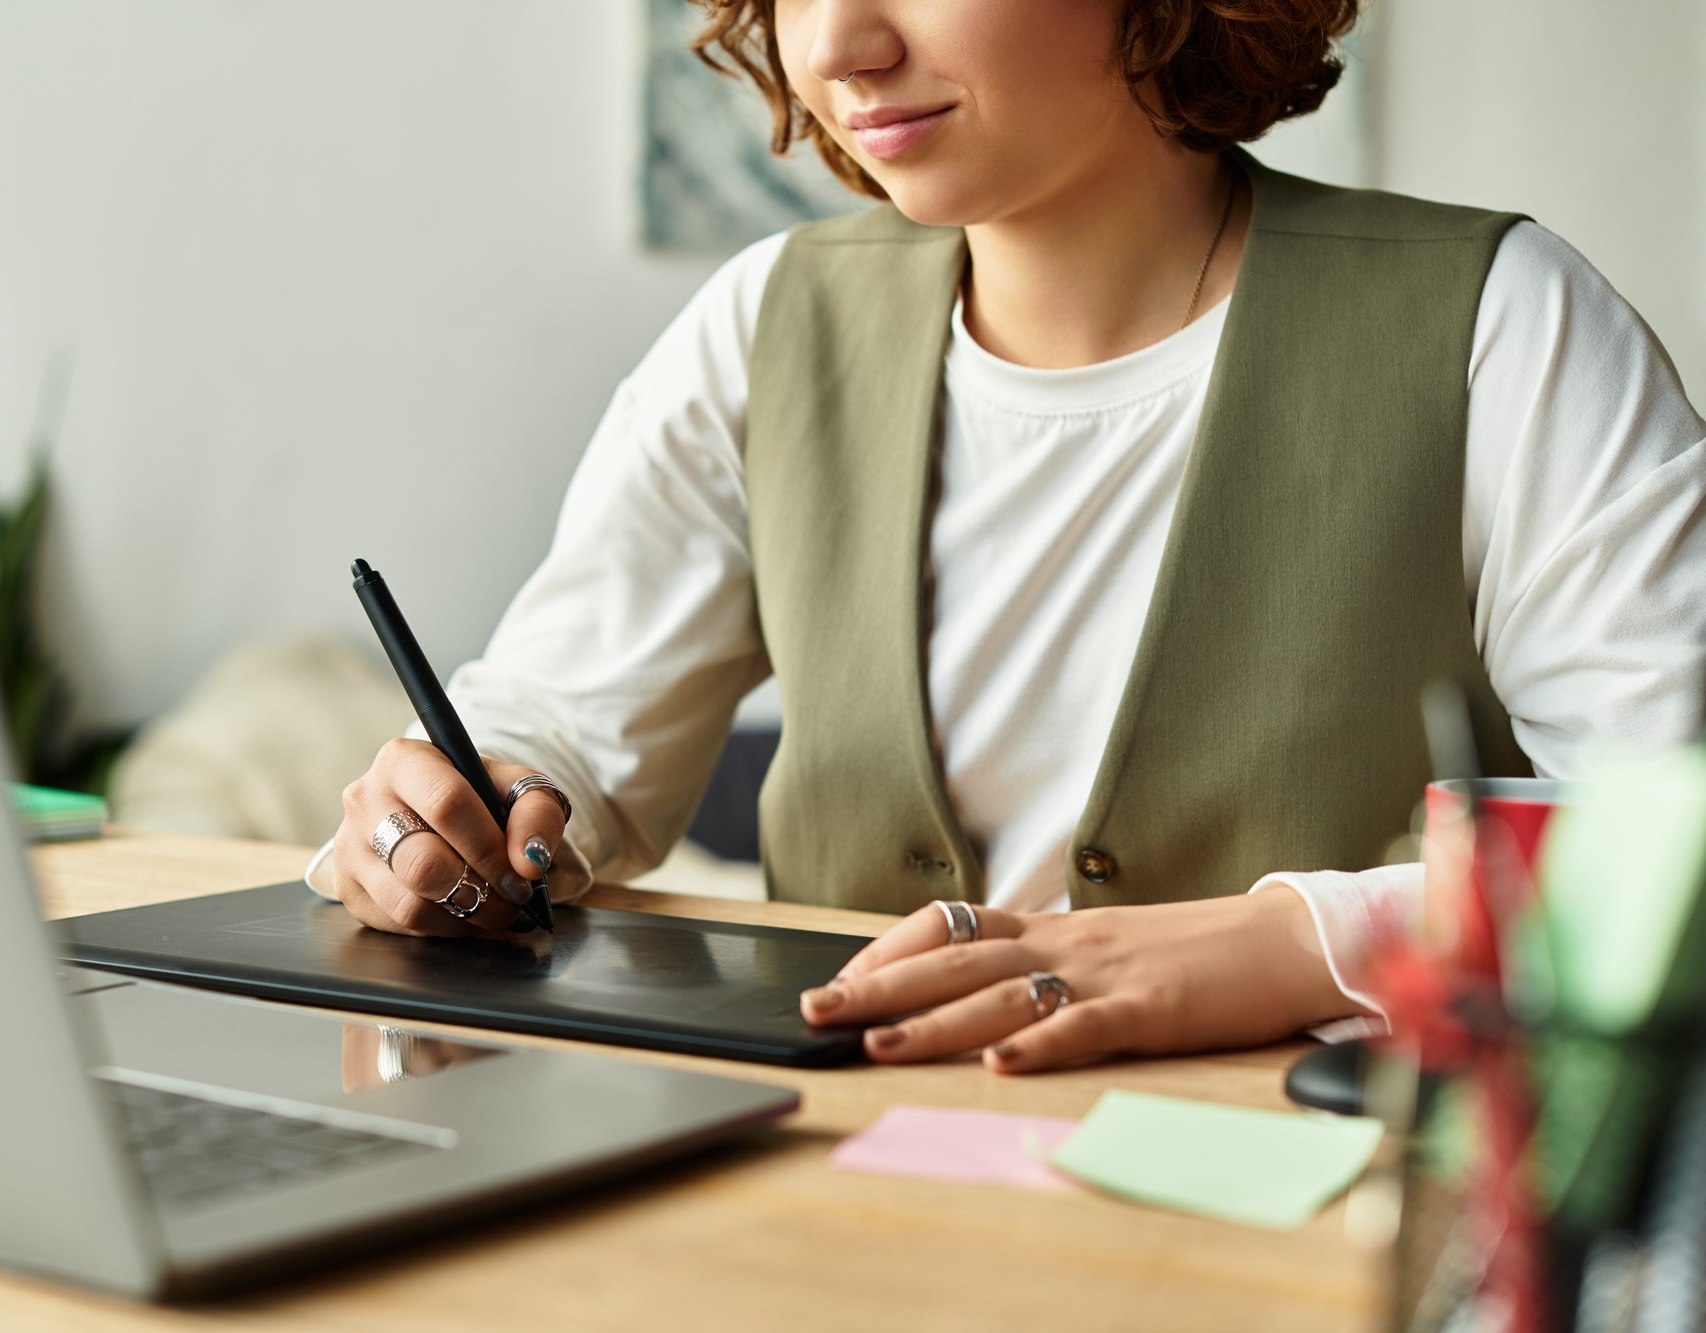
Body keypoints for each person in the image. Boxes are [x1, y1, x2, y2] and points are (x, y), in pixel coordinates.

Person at [308, 0, 1706, 1073]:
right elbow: (568, 719)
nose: (845, 47)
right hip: (834, 1194)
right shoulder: (766, 327)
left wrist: (1297, 944)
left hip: (1318, 1197)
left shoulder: (1505, 324)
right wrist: (464, 805)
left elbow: (1672, 844)